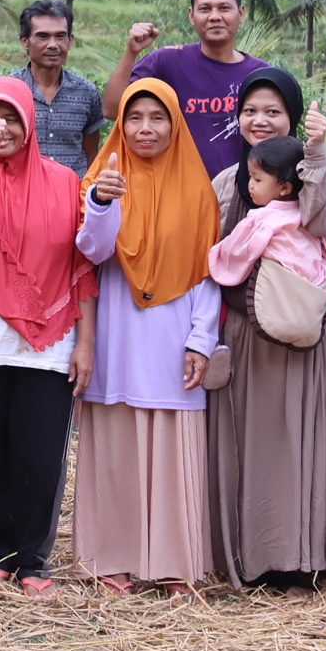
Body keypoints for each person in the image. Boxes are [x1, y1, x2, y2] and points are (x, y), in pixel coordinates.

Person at [0, 77, 97, 599]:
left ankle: (33, 560)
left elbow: (83, 267)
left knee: (39, 455)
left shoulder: (62, 181)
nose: (1, 126)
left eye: (10, 117)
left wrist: (87, 342)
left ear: (29, 121)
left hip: (48, 342)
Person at [74, 79, 223, 594]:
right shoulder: (104, 174)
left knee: (172, 445)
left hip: (173, 337)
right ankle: (109, 558)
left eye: (157, 118)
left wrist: (202, 339)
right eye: (133, 118)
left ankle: (174, 564)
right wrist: (100, 201)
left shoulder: (198, 188)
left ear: (175, 123)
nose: (144, 128)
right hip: (117, 332)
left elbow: (209, 272)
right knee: (115, 443)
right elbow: (92, 252)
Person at [205, 66, 326, 590]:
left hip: (302, 336)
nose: (260, 120)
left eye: (273, 111)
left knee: (299, 441)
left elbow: (323, 222)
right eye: (250, 111)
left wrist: (316, 155)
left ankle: (303, 558)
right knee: (251, 442)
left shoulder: (319, 175)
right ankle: (250, 554)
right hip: (247, 335)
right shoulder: (229, 180)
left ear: (293, 116)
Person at [101, 0, 269, 176]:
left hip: (242, 194)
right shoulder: (167, 62)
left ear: (241, 14)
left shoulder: (261, 75)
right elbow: (112, 110)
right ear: (191, 16)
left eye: (224, 8)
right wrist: (131, 51)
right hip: (181, 194)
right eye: (205, 9)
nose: (214, 16)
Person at [11, 0, 106, 176]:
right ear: (25, 41)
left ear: (70, 41)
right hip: (23, 196)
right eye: (43, 36)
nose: (53, 45)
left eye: (60, 36)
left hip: (73, 196)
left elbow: (91, 153)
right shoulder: (9, 92)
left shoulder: (86, 93)